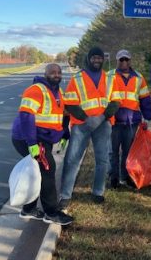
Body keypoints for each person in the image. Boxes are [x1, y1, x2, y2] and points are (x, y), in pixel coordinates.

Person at [11, 63, 74, 225]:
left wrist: (65, 135)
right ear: (45, 74)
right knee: (47, 169)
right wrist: (32, 143)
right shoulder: (36, 90)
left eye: (59, 72)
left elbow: (65, 114)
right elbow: (26, 116)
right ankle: (51, 213)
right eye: (52, 72)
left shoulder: (58, 92)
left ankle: (29, 209)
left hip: (42, 138)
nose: (56, 74)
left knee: (38, 171)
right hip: (28, 138)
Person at [59, 47, 121, 208]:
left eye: (99, 58)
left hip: (103, 124)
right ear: (89, 59)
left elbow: (116, 102)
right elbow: (70, 103)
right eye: (94, 58)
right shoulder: (77, 78)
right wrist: (86, 118)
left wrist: (101, 117)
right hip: (81, 125)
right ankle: (65, 195)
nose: (97, 60)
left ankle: (98, 192)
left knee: (102, 159)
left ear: (102, 59)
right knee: (72, 159)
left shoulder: (109, 78)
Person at [107, 49, 151, 188]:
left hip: (132, 122)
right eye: (121, 60)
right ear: (117, 61)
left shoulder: (139, 78)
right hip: (114, 121)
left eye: (126, 59)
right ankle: (113, 178)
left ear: (130, 60)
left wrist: (147, 117)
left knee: (128, 153)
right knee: (113, 152)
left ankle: (125, 177)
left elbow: (145, 98)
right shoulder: (109, 76)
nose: (124, 62)